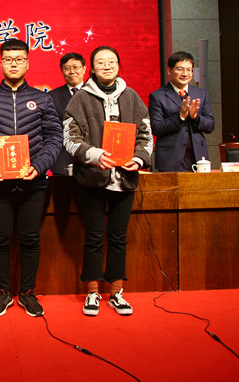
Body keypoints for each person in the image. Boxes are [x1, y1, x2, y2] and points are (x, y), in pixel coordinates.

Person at [0, 39, 62, 317]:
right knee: (0, 239)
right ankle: (2, 292)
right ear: (1, 63)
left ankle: (28, 292)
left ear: (27, 63)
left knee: (31, 238)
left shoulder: (42, 98)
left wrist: (40, 165)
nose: (13, 64)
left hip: (34, 181)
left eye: (19, 59)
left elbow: (54, 137)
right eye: (8, 59)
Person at [63, 46, 152, 317]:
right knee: (93, 236)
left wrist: (138, 159)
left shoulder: (131, 96)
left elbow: (146, 134)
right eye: (101, 62)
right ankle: (92, 291)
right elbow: (69, 137)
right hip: (93, 178)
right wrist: (94, 155)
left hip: (124, 178)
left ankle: (116, 291)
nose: (107, 66)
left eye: (112, 61)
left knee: (118, 237)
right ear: (91, 68)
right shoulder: (80, 98)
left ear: (118, 65)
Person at [149, 51, 215, 171]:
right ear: (169, 70)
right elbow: (156, 128)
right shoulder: (158, 96)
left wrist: (196, 117)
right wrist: (180, 117)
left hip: (198, 158)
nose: (185, 74)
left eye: (189, 70)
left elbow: (210, 126)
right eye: (180, 69)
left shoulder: (201, 94)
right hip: (170, 159)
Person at [49, 52, 86, 175]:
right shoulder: (52, 96)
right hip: (62, 158)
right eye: (67, 68)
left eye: (76, 67)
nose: (72, 72)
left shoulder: (95, 94)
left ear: (84, 69)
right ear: (62, 71)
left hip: (90, 157)